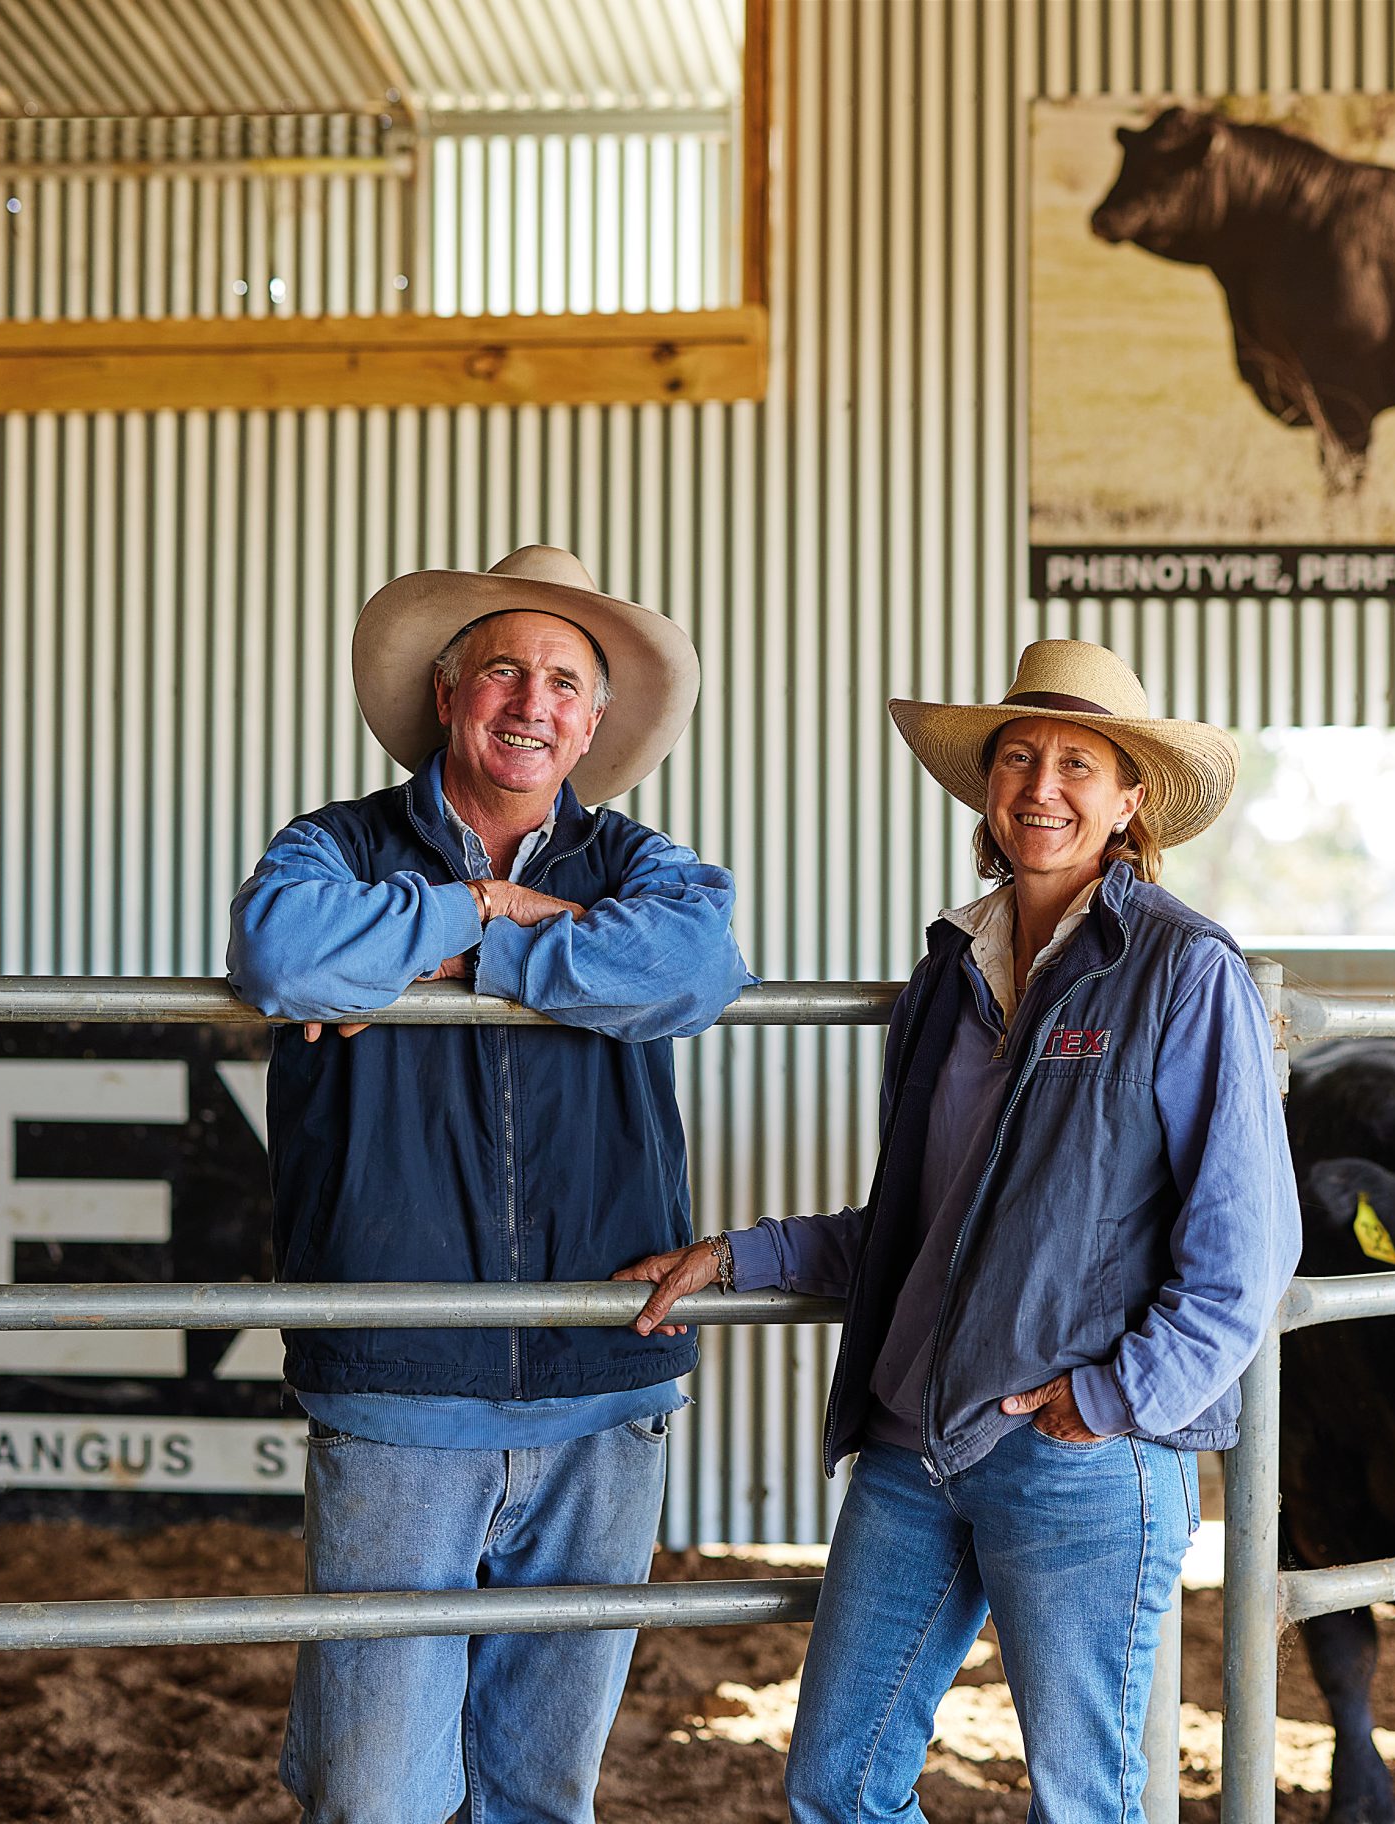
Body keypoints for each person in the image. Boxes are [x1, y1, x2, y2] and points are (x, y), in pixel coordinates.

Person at [617, 638, 1298, 1824]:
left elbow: (1247, 1248)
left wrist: (1117, 1395)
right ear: (986, 786)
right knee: (836, 1780)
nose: (1043, 784)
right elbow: (925, 1222)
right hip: (914, 1443)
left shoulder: (1183, 974)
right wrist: (740, 1256)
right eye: (1018, 756)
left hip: (1075, 1449)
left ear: (1131, 800)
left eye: (1079, 762)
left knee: (1082, 1804)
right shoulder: (949, 971)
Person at [229, 544, 754, 1824]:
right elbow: (284, 955)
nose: (534, 701)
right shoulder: (331, 846)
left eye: (566, 682)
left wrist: (450, 965)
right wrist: (487, 907)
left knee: (542, 1789)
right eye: (505, 670)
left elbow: (697, 967)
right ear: (448, 691)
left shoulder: (647, 868)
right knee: (375, 1794)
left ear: (592, 723)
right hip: (397, 1371)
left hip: (602, 1379)